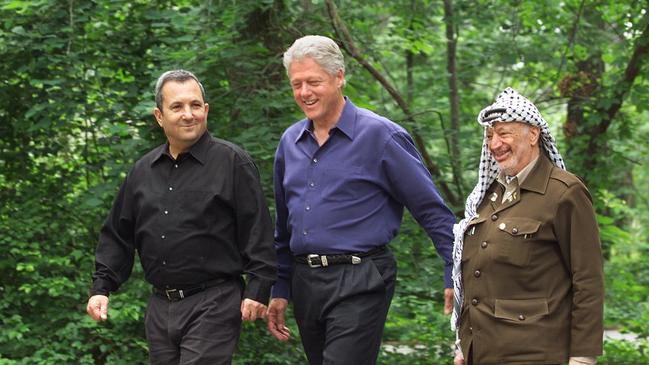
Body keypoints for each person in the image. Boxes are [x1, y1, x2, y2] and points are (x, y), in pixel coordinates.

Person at [266, 35, 456, 365]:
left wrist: (454, 270)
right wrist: (280, 286)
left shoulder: (381, 136)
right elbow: (283, 225)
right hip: (305, 282)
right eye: (297, 84)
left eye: (314, 82)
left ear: (339, 77)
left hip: (361, 278)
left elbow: (431, 210)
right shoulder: (290, 142)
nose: (305, 93)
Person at [86, 69, 277, 365]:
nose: (188, 114)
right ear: (159, 116)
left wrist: (258, 287)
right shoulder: (142, 171)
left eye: (195, 105)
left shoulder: (232, 162)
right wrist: (102, 288)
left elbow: (258, 229)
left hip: (214, 301)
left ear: (206, 110)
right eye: (177, 107)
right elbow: (118, 235)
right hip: (161, 307)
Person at [451, 87, 604, 365]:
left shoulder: (565, 193)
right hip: (481, 353)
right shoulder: (486, 197)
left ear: (533, 135)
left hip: (536, 354)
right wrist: (464, 346)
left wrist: (582, 358)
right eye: (489, 136)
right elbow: (476, 275)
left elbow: (588, 281)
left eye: (504, 133)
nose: (494, 143)